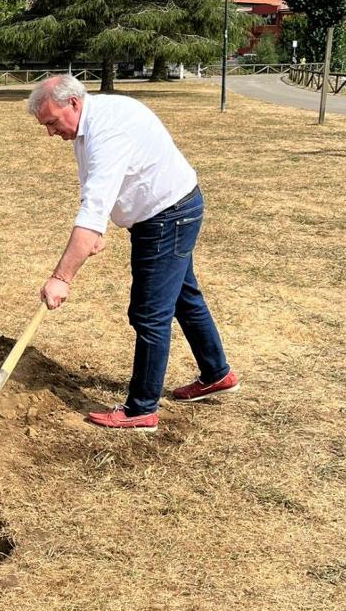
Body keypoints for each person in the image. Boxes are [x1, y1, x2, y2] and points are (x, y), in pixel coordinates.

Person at [29, 75, 238, 432]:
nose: (51, 133)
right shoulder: (91, 123)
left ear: (73, 104)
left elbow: (93, 208)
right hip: (171, 209)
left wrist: (62, 277)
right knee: (185, 298)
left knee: (149, 313)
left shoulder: (107, 132)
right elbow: (97, 189)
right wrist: (96, 233)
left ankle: (141, 409)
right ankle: (217, 373)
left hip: (166, 217)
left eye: (52, 122)